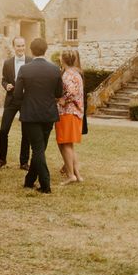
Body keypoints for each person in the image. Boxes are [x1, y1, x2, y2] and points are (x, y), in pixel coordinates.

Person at [13, 38, 63, 194]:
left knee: (38, 149)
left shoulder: (25, 69)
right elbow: (58, 93)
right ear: (45, 50)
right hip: (48, 114)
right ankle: (29, 181)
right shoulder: (55, 69)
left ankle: (46, 185)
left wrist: (24, 105)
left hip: (31, 114)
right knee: (39, 149)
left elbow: (17, 94)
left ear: (31, 51)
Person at [0, 36, 32, 170]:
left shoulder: (31, 61)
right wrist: (6, 85)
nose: (21, 48)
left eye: (22, 45)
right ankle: (1, 159)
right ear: (14, 47)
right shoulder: (8, 63)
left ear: (25, 46)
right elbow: (3, 80)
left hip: (26, 100)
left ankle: (24, 162)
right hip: (11, 99)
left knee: (26, 131)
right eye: (18, 46)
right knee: (3, 130)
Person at [55, 50, 84, 185]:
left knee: (64, 144)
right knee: (69, 145)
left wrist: (63, 100)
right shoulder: (76, 73)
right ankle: (77, 174)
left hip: (67, 113)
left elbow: (71, 92)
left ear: (63, 60)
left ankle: (71, 175)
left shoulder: (68, 75)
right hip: (75, 113)